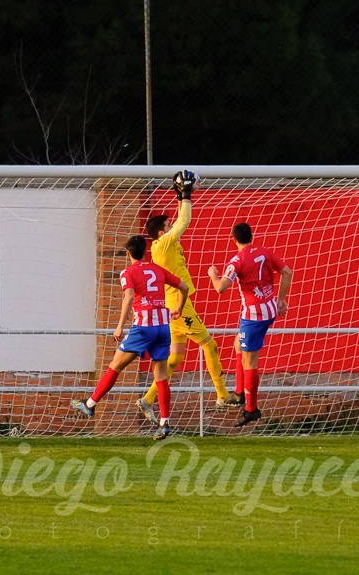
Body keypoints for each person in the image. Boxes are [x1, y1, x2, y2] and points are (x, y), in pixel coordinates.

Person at [136, 170, 235, 424]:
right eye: (167, 226)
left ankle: (147, 399)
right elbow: (184, 222)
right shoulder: (164, 244)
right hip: (178, 308)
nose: (172, 226)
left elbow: (179, 217)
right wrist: (188, 194)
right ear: (161, 233)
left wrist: (179, 195)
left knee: (175, 358)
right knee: (210, 345)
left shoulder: (163, 245)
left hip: (175, 305)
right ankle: (222, 395)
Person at [71, 234, 189, 439]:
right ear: (146, 251)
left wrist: (119, 327)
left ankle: (90, 405)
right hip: (163, 327)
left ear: (128, 253)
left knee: (115, 365)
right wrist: (177, 308)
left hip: (143, 327)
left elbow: (129, 297)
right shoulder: (157, 269)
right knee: (160, 376)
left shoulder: (128, 273)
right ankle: (164, 423)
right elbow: (184, 287)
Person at [207, 222, 293, 428]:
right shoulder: (264, 251)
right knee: (239, 344)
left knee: (250, 361)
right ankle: (239, 392)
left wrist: (213, 274)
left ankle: (251, 409)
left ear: (234, 239)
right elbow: (287, 272)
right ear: (251, 236)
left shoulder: (237, 260)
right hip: (270, 308)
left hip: (254, 316)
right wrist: (281, 300)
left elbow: (220, 288)